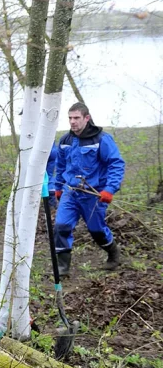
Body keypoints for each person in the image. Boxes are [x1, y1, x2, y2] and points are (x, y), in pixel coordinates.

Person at [53, 102, 125, 276]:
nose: (72, 122)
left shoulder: (101, 139)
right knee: (61, 225)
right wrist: (58, 187)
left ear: (87, 118)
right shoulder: (65, 140)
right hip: (70, 192)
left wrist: (110, 189)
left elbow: (116, 164)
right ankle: (62, 268)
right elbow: (60, 165)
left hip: (93, 194)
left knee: (96, 229)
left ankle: (113, 254)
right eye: (70, 118)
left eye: (76, 118)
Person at [46, 144, 59, 208]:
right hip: (53, 150)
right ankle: (52, 202)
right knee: (50, 174)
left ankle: (50, 202)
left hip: (42, 151)